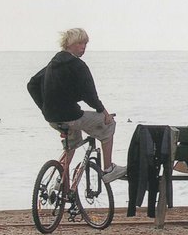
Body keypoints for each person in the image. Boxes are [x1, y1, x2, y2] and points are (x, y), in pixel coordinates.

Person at [27, 27, 125, 180]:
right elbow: (91, 96)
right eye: (80, 43)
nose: (83, 47)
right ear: (69, 44)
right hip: (71, 117)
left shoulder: (53, 64)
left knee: (72, 143)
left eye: (85, 44)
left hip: (52, 118)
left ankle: (62, 183)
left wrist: (45, 107)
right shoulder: (78, 65)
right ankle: (108, 169)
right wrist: (105, 114)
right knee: (109, 126)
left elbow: (32, 84)